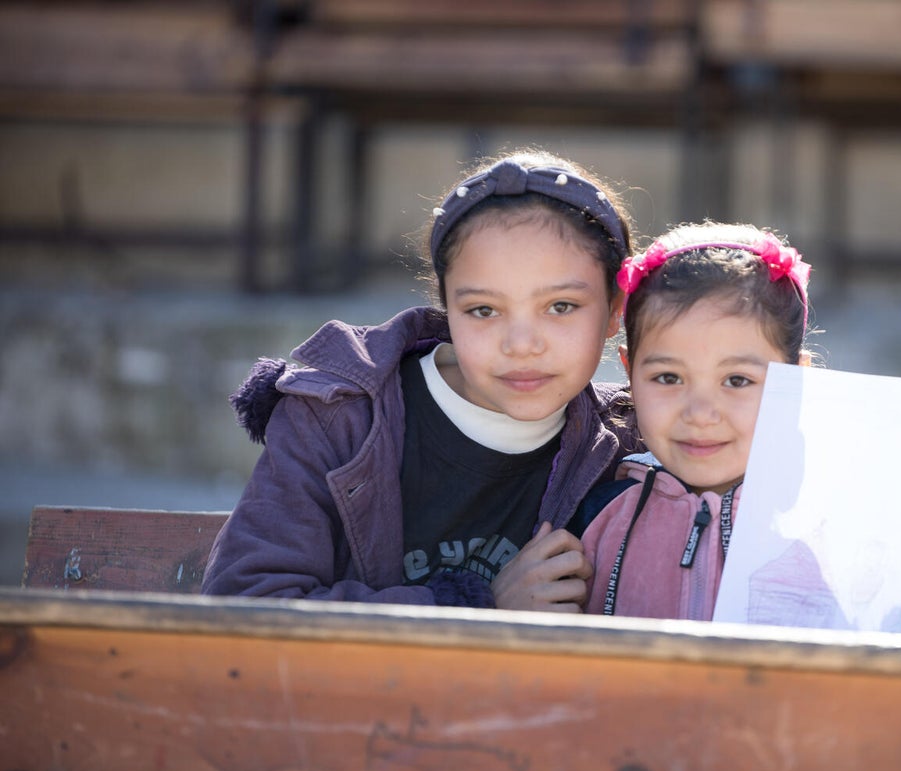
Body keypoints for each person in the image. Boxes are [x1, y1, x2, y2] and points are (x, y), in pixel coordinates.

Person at [201, 149, 640, 612]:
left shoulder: (630, 447)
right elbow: (245, 606)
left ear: (614, 309)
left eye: (561, 307)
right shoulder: (339, 416)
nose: (521, 344)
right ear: (448, 307)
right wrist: (479, 608)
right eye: (484, 310)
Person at [573, 222, 901, 636]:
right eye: (668, 377)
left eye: (737, 380)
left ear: (796, 380)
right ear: (629, 371)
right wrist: (525, 610)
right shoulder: (594, 514)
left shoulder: (838, 524)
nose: (701, 413)